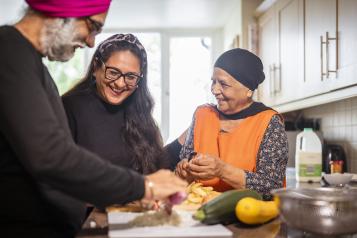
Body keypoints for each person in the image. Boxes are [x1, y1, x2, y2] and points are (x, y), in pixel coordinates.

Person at [0, 1, 186, 237]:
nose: (90, 41)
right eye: (93, 27)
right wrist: (143, 187)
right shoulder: (8, 49)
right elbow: (51, 156)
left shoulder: (30, 61)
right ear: (65, 10)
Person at [171, 48, 288, 199]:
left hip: (250, 216)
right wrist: (183, 172)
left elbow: (271, 187)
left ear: (248, 90)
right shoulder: (202, 115)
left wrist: (222, 170)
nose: (214, 89)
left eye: (223, 84)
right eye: (213, 81)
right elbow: (184, 173)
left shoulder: (269, 122)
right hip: (200, 213)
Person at [62, 34, 167, 175]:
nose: (120, 83)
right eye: (113, 72)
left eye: (130, 77)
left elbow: (157, 163)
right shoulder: (69, 107)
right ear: (95, 67)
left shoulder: (139, 110)